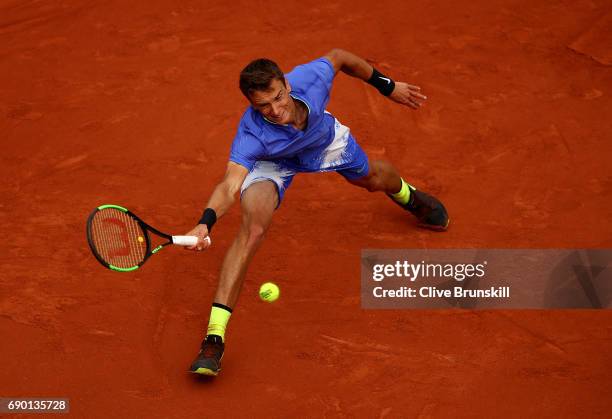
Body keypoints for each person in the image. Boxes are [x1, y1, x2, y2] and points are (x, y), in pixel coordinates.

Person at [185, 49, 449, 376]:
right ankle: (214, 337)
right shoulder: (252, 134)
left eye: (278, 98)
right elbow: (229, 186)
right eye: (262, 106)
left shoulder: (310, 80)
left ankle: (408, 195)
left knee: (374, 179)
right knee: (252, 230)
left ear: (286, 84)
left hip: (322, 142)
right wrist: (204, 223)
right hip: (273, 161)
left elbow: (341, 57)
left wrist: (387, 85)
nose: (276, 110)